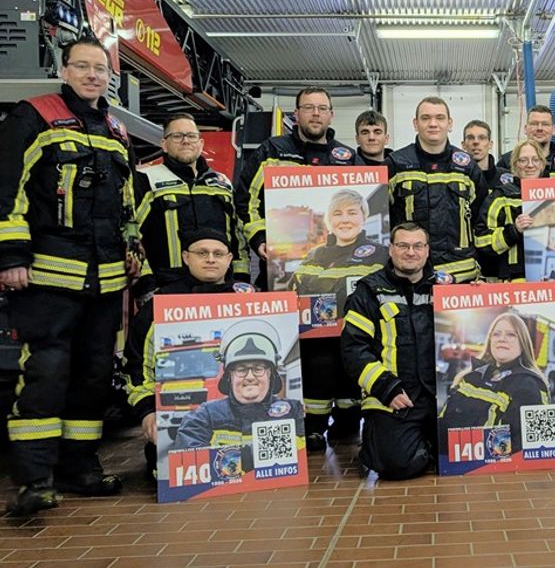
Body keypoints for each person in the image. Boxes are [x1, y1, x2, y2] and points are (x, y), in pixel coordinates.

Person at [0, 38, 141, 516]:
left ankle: (79, 467)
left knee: (95, 376)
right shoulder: (33, 116)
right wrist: (10, 257)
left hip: (105, 280)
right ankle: (34, 478)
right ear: (64, 69)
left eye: (100, 69)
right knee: (46, 373)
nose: (92, 75)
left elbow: (126, 201)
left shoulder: (116, 130)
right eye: (82, 66)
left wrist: (133, 246)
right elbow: (8, 192)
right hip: (47, 275)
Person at [124, 228, 255, 477]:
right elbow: (136, 368)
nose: (210, 259)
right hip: (176, 424)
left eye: (218, 253)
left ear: (229, 259)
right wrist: (147, 412)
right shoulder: (159, 308)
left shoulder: (251, 303)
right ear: (186, 257)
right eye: (202, 252)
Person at [287, 190, 387, 448]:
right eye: (338, 213)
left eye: (352, 212)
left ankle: (347, 424)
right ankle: (314, 429)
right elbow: (292, 292)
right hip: (318, 343)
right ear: (329, 221)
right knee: (317, 380)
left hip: (361, 338)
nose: (345, 219)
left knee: (352, 383)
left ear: (363, 218)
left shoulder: (381, 254)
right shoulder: (313, 256)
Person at [341, 223, 441, 480]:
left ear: (427, 251)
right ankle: (384, 441)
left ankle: (427, 444)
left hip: (438, 397)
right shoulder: (369, 291)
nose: (411, 252)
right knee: (397, 465)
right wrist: (387, 388)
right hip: (395, 397)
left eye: (417, 246)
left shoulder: (445, 289)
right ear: (391, 249)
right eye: (403, 245)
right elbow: (354, 350)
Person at [235, 86, 358, 290]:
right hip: (281, 261)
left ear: (331, 115)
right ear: (297, 114)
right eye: (309, 107)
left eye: (322, 108)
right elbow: (246, 200)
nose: (316, 113)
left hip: (335, 264)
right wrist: (259, 238)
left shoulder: (348, 158)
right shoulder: (271, 151)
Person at [134, 112, 247, 301]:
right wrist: (146, 284)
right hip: (166, 287)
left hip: (220, 287)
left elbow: (238, 237)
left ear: (201, 143)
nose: (185, 141)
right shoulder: (146, 180)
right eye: (177, 136)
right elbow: (131, 234)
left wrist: (241, 279)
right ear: (164, 144)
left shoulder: (222, 183)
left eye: (191, 136)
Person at [172, 322, 304, 472]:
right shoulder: (204, 416)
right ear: (229, 377)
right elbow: (189, 461)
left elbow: (304, 457)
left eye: (258, 369)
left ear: (271, 374)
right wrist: (246, 459)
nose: (249, 377)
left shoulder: (294, 412)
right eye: (241, 370)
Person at [386, 97, 488, 283]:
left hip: (461, 274)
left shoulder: (468, 166)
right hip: (412, 275)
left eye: (440, 118)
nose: (433, 124)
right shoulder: (395, 164)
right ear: (415, 124)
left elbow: (480, 220)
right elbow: (383, 220)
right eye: (426, 118)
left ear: (449, 124)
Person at [439, 313, 551, 454]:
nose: (502, 339)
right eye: (497, 334)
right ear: (490, 339)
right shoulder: (468, 377)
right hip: (447, 462)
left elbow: (536, 447)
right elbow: (443, 421)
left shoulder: (531, 385)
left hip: (491, 470)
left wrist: (468, 450)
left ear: (523, 343)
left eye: (511, 334)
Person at [474, 140, 543, 281]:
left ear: (542, 164)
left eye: (535, 160)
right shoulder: (500, 197)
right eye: (523, 160)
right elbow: (481, 242)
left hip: (549, 279)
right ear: (515, 165)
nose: (530, 165)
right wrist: (514, 231)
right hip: (513, 281)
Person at [497, 105, 555, 176]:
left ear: (553, 130)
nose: (539, 128)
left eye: (545, 124)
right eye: (534, 124)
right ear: (525, 129)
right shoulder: (507, 161)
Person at [462, 120, 505, 190]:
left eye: (482, 138)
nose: (476, 142)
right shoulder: (456, 178)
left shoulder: (505, 178)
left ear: (490, 144)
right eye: (470, 138)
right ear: (463, 145)